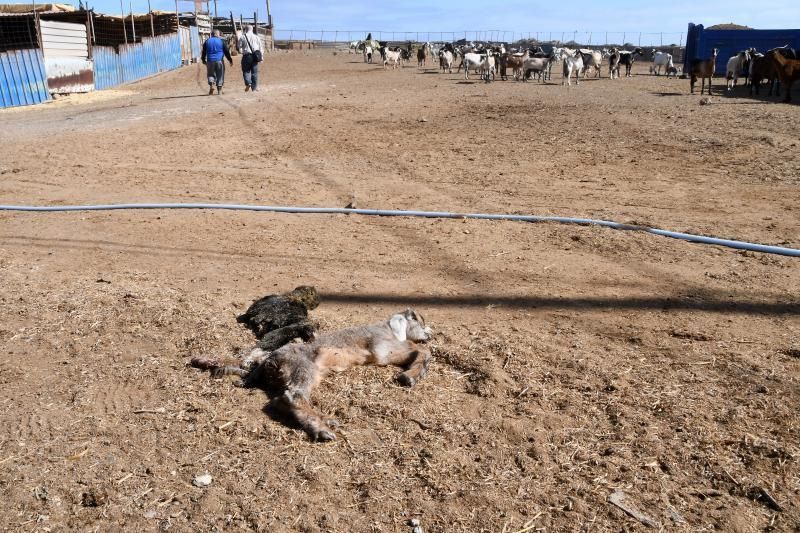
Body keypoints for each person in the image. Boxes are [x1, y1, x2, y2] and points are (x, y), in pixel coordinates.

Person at [201, 29, 233, 95]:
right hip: (219, 60)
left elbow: (203, 52)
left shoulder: (207, 41)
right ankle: (219, 90)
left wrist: (203, 60)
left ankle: (211, 85)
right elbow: (226, 51)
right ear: (217, 34)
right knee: (220, 75)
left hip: (210, 61)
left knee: (210, 74)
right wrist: (230, 60)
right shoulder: (221, 41)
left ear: (212, 34)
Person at [237, 25, 263, 92]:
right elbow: (261, 48)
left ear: (245, 29)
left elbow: (239, 47)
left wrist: (242, 52)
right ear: (252, 29)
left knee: (246, 71)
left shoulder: (242, 37)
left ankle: (248, 83)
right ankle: (254, 88)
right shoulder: (257, 37)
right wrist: (261, 57)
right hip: (255, 56)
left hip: (246, 56)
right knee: (254, 73)